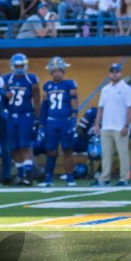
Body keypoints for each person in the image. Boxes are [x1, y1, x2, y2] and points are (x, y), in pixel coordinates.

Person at [94, 63, 131, 185]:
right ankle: (105, 177)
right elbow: (100, 107)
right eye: (112, 72)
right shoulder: (105, 89)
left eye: (117, 72)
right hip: (106, 126)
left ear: (121, 73)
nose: (114, 74)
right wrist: (97, 123)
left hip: (120, 127)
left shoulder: (127, 89)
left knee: (122, 153)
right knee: (106, 154)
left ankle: (124, 178)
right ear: (109, 74)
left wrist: (126, 125)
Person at [3, 53, 41, 185]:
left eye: (21, 65)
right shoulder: (7, 79)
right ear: (12, 66)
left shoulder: (31, 79)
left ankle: (28, 174)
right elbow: (3, 98)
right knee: (15, 147)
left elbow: (37, 100)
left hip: (26, 115)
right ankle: (20, 175)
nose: (19, 68)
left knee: (25, 145)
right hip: (11, 115)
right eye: (17, 65)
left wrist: (37, 118)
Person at [40, 57, 77, 187]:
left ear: (63, 71)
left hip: (65, 121)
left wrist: (74, 120)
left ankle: (70, 177)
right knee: (51, 150)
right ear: (51, 72)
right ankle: (48, 177)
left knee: (67, 149)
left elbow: (74, 103)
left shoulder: (69, 84)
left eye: (59, 71)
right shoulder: (47, 86)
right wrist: (42, 125)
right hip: (51, 121)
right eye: (54, 71)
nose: (57, 73)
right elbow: (44, 107)